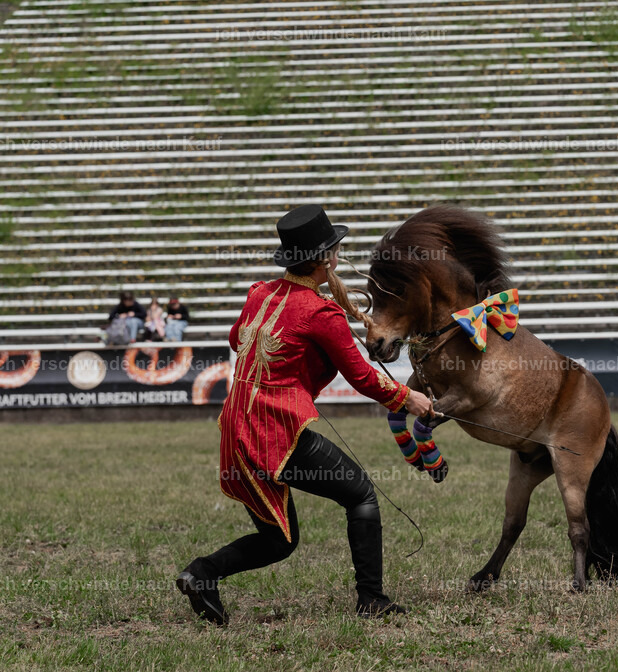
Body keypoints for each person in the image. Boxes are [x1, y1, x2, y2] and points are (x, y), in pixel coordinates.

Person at [176, 205, 435, 625]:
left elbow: (237, 338)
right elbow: (362, 377)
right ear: (324, 259)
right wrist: (409, 399)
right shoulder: (321, 313)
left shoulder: (259, 293)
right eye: (335, 248)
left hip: (237, 430)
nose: (338, 254)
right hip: (277, 432)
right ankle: (371, 598)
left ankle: (202, 573)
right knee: (361, 495)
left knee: (279, 540)